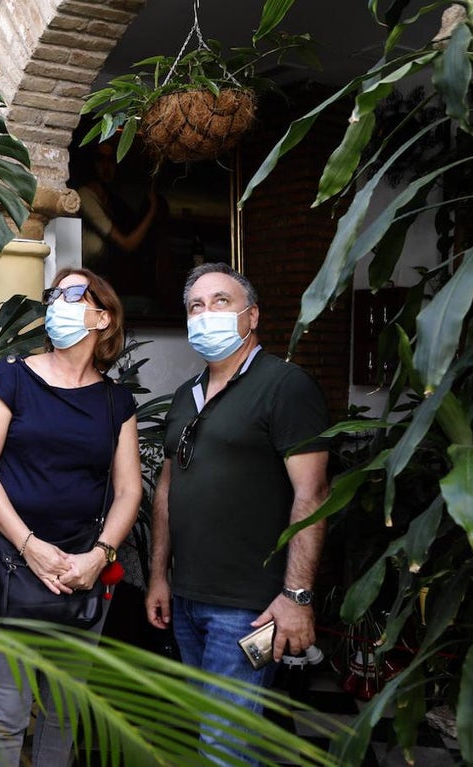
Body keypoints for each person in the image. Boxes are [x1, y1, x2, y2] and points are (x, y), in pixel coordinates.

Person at [145, 263, 330, 765]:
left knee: (223, 746)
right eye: (196, 307)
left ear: (253, 317)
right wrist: (159, 576)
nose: (207, 315)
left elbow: (312, 497)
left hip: (251, 609)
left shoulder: (285, 386)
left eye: (221, 302)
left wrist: (297, 597)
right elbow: (168, 488)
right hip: (186, 600)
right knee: (210, 732)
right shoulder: (188, 395)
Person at [0, 268, 142, 767]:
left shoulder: (115, 401)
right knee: (6, 710)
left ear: (102, 317)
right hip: (6, 559)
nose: (56, 301)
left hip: (82, 569)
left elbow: (130, 489)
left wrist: (98, 556)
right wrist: (29, 545)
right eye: (54, 294)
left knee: (63, 709)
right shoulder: (12, 378)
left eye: (71, 293)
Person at [76, 141, 160, 274]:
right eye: (100, 159)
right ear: (92, 163)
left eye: (111, 160)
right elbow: (127, 244)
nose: (106, 166)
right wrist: (153, 209)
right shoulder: (85, 196)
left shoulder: (111, 201)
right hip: (85, 273)